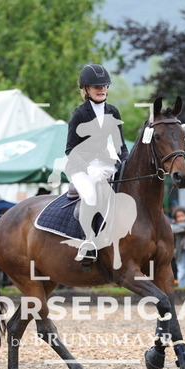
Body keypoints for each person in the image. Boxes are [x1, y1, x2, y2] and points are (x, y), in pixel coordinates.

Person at [64, 64, 129, 262]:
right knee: (91, 195)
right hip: (80, 166)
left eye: (104, 86)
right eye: (96, 86)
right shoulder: (79, 114)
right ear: (86, 89)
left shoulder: (113, 112)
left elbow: (120, 146)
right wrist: (89, 168)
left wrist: (127, 162)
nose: (101, 89)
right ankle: (88, 241)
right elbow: (70, 150)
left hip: (105, 163)